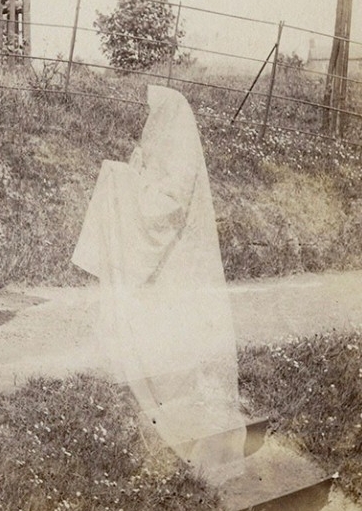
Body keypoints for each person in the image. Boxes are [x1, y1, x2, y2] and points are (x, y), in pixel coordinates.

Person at [72, 85, 246, 485]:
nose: (149, 121)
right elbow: (152, 186)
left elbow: (168, 202)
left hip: (179, 257)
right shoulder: (161, 145)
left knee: (179, 338)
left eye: (154, 114)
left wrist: (121, 180)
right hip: (165, 263)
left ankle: (191, 427)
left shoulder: (180, 150)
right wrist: (131, 175)